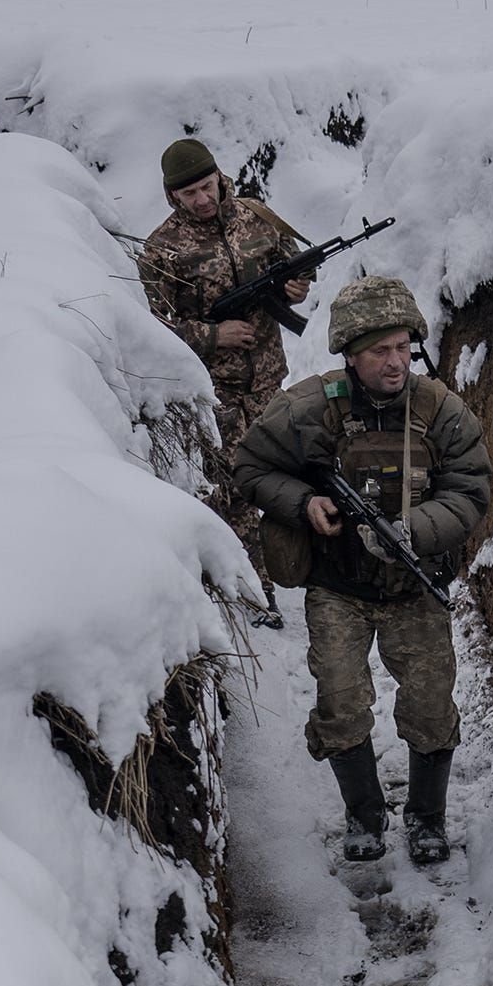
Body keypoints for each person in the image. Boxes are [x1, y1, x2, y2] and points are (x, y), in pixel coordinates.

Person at [233, 276, 492, 864]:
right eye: (381, 352)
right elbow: (250, 465)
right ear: (351, 354)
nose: (396, 362)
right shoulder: (308, 407)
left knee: (430, 706)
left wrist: (413, 532)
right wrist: (304, 504)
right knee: (341, 704)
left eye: (403, 347)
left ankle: (426, 820)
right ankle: (364, 817)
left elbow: (473, 486)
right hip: (337, 589)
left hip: (413, 586)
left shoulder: (439, 409)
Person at [138, 137, 308, 624]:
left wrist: (295, 288)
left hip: (269, 378)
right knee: (233, 490)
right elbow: (152, 328)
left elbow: (290, 266)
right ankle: (254, 596)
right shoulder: (161, 249)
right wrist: (213, 336)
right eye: (189, 193)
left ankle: (295, 564)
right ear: (173, 196)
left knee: (281, 474)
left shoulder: (256, 217)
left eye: (207, 186)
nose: (202, 199)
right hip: (215, 391)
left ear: (219, 176)